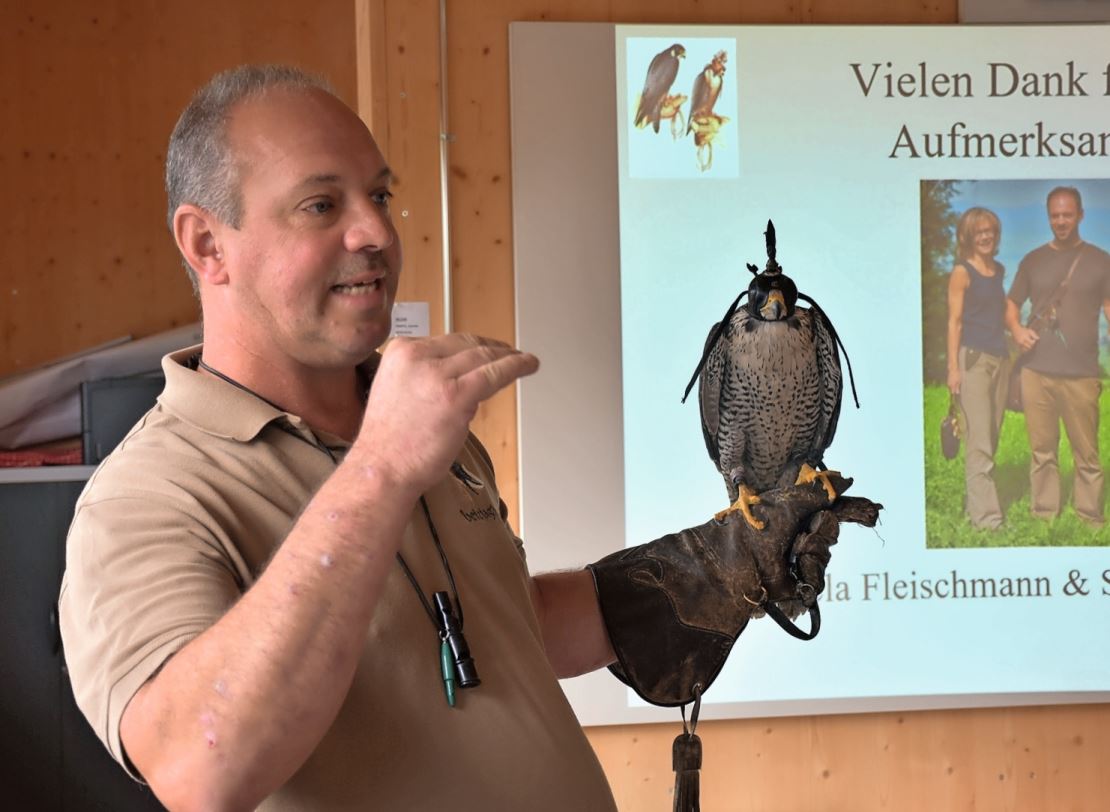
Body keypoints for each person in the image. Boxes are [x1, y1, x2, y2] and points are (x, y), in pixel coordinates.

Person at [58, 66, 838, 811]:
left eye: (379, 194)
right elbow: (200, 769)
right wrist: (383, 469)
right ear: (206, 245)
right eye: (321, 206)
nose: (376, 232)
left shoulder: (422, 434)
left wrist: (707, 565)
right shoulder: (146, 497)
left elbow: (485, 630)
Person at [1006, 186, 1110, 527]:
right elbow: (1011, 305)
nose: (1061, 221)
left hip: (1082, 373)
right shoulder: (1033, 260)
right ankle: (1044, 516)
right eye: (1055, 215)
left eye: (1067, 214)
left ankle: (1090, 518)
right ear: (1048, 217)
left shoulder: (1100, 260)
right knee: (1042, 453)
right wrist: (1018, 331)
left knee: (1088, 455)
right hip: (1037, 372)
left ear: (1080, 215)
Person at [946, 207, 1009, 529]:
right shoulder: (962, 272)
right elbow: (954, 322)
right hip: (973, 362)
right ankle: (987, 521)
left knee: (991, 439)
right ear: (969, 236)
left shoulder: (998, 270)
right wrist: (953, 370)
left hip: (1000, 360)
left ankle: (980, 509)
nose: (986, 236)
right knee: (979, 442)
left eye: (991, 231)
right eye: (979, 232)